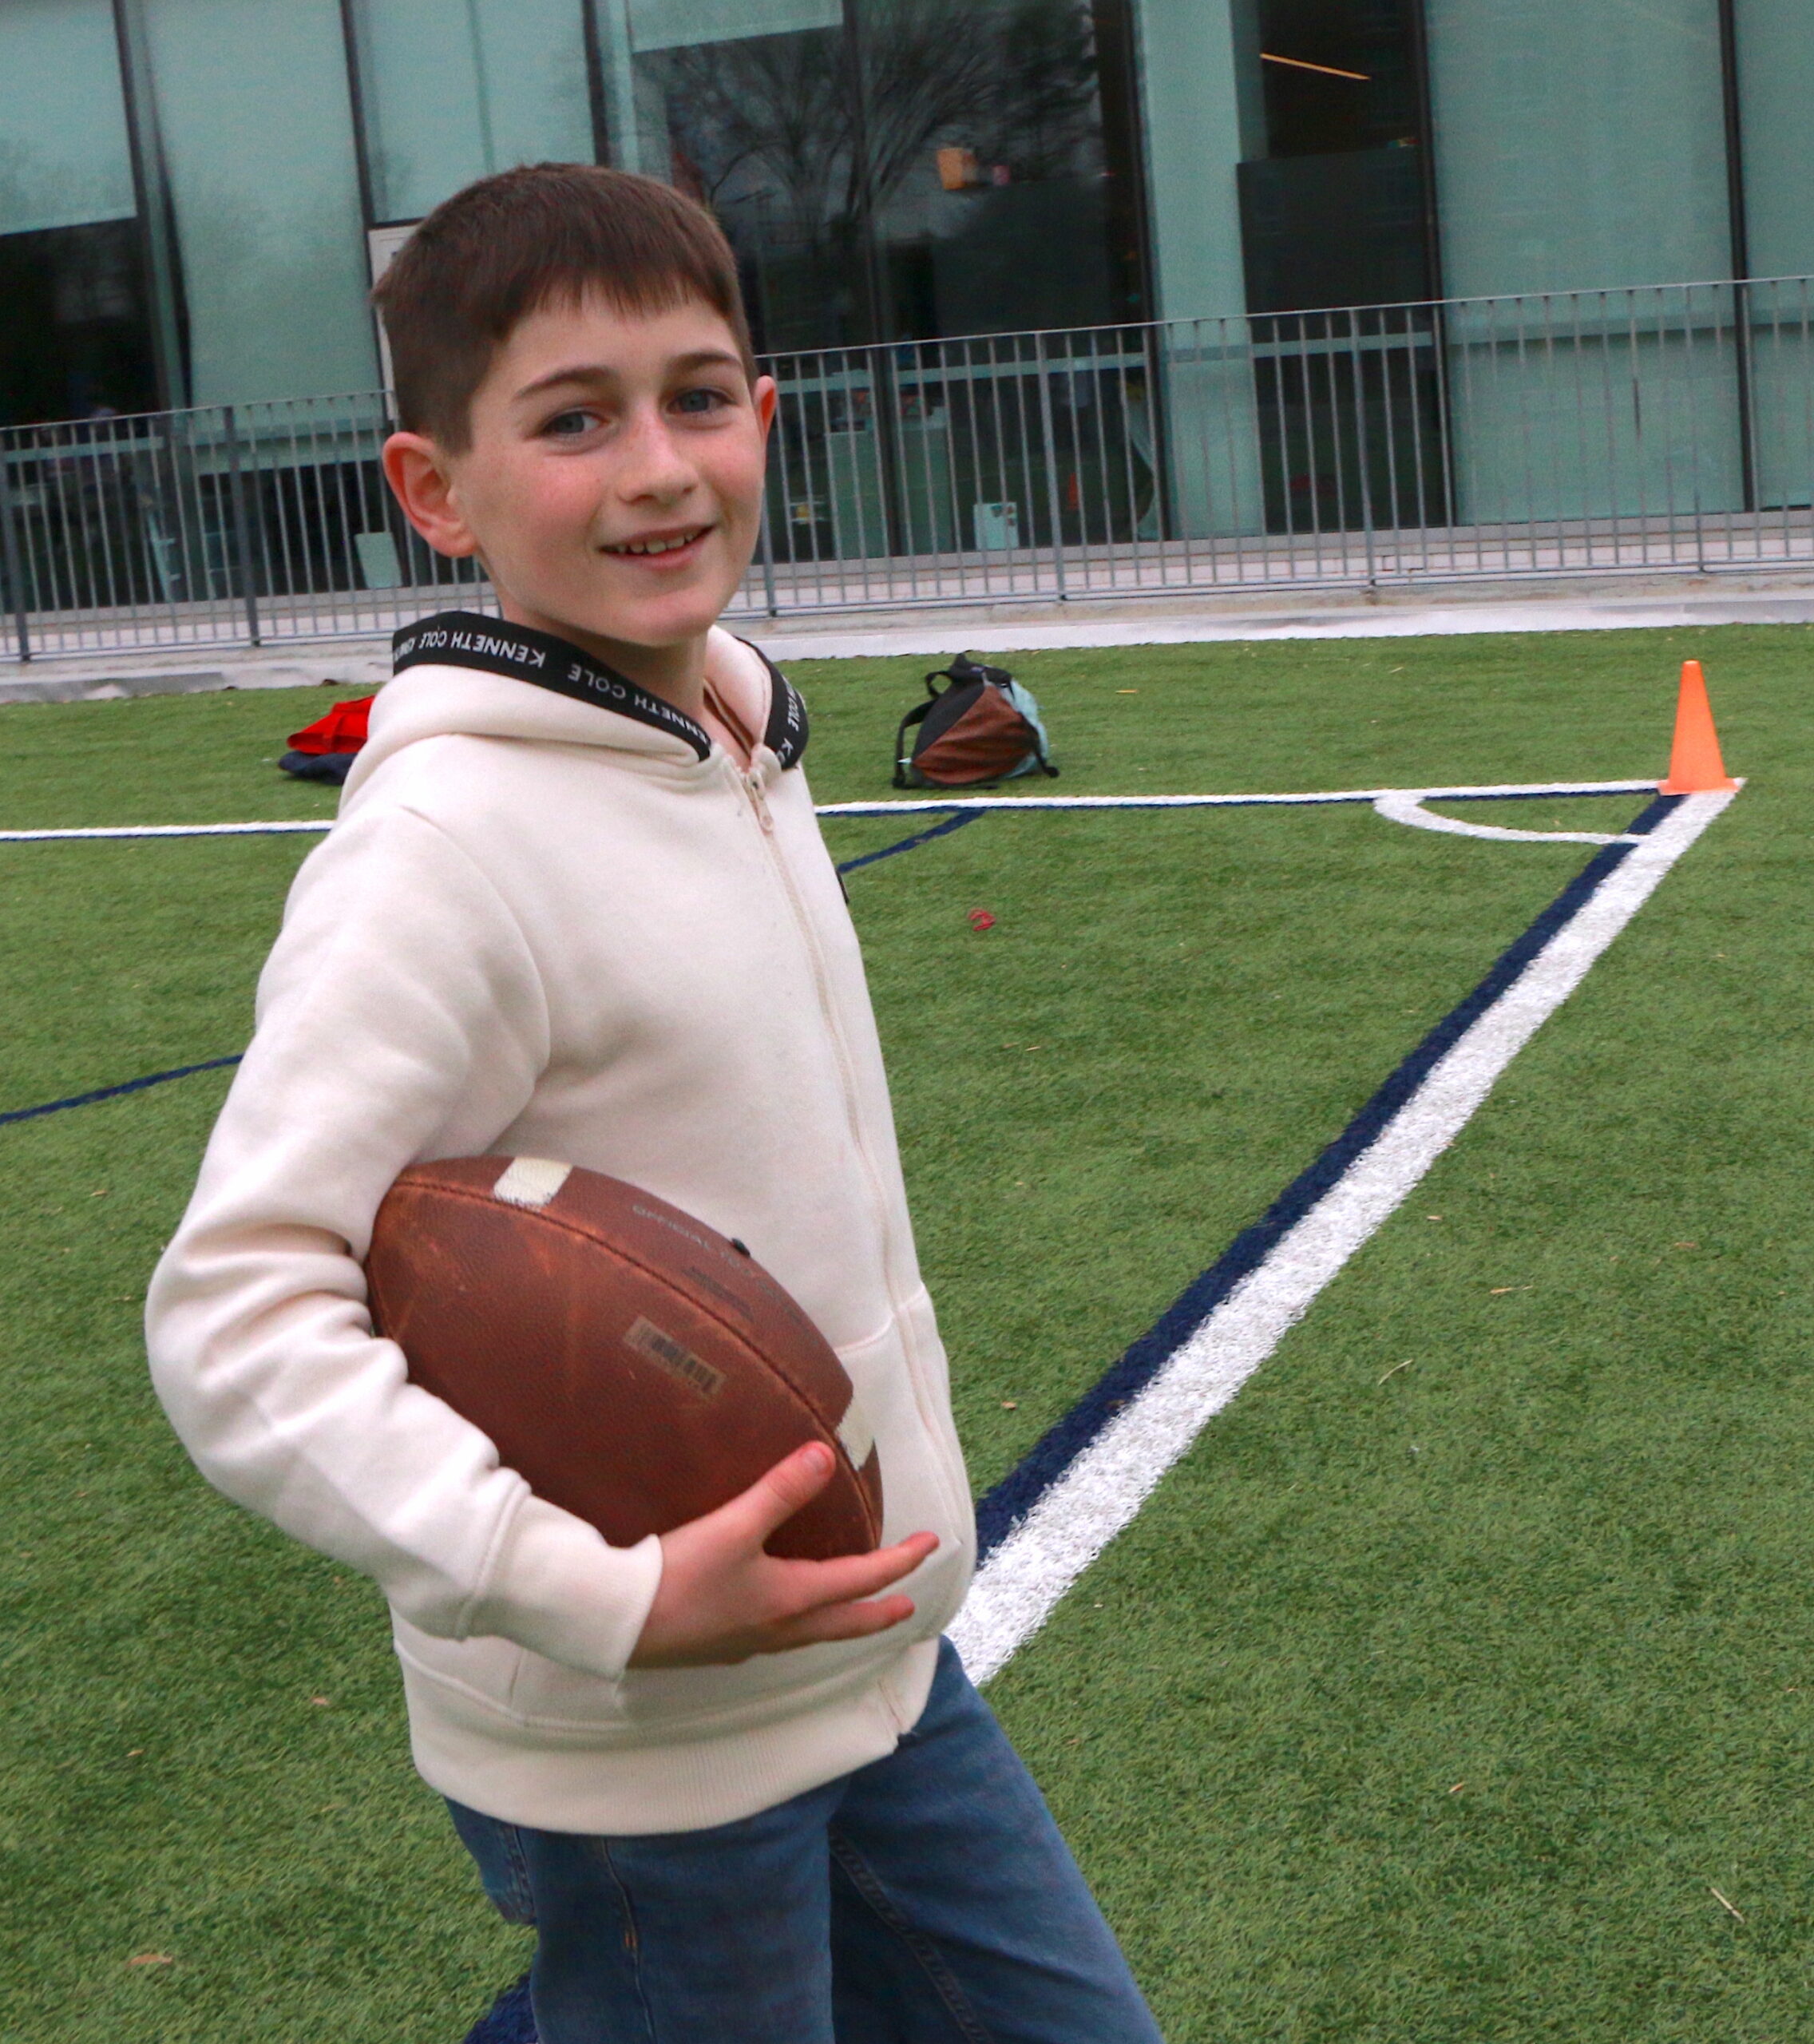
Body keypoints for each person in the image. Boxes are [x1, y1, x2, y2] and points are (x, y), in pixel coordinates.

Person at [145, 163, 1162, 2043]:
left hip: (866, 1651)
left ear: (765, 417)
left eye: (698, 397)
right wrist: (584, 1585)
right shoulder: (443, 849)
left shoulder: (727, 731)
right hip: (645, 1744)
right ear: (434, 488)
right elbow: (234, 1315)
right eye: (570, 419)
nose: (657, 467)